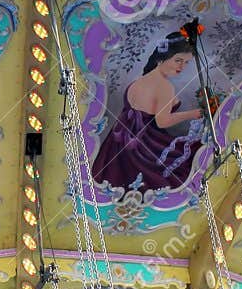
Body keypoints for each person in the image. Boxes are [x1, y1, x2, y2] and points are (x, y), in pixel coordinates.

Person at [90, 31, 211, 194]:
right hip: (144, 147)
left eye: (186, 63)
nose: (182, 67)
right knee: (192, 160)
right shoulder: (165, 86)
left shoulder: (139, 81)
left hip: (117, 144)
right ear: (162, 58)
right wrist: (193, 114)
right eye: (178, 60)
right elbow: (162, 121)